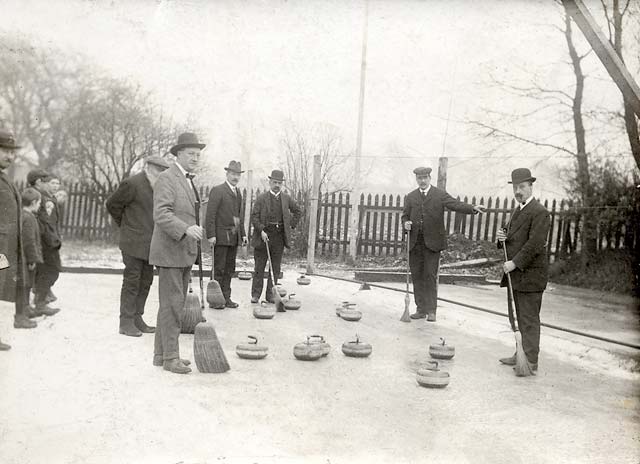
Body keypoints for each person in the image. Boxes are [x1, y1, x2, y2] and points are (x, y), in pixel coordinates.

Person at [149, 132, 206, 374]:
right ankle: (171, 358)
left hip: (182, 251)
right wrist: (186, 229)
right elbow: (161, 213)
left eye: (198, 155)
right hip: (170, 252)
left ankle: (162, 355)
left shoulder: (188, 181)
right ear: (178, 154)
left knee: (172, 305)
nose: (195, 158)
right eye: (191, 154)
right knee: (172, 305)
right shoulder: (167, 178)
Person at [401, 166, 485, 322]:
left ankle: (431, 310)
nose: (423, 180)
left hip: (432, 244)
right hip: (415, 244)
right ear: (416, 179)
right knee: (417, 276)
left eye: (425, 177)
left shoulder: (439, 195)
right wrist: (405, 224)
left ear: (430, 178)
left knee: (430, 276)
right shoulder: (411, 197)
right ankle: (421, 309)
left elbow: (455, 204)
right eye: (420, 178)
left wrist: (472, 208)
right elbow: (405, 216)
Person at [106, 156, 170, 337]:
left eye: (163, 170)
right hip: (133, 243)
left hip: (151, 244)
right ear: (148, 167)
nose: (161, 173)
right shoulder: (132, 183)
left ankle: (137, 318)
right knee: (132, 282)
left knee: (146, 281)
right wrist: (126, 225)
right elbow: (112, 204)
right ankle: (125, 322)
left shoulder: (160, 187)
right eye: (158, 169)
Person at [497, 168, 550, 373]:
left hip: (530, 275)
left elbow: (535, 244)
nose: (518, 191)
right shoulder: (517, 210)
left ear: (530, 187)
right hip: (516, 275)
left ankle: (531, 360)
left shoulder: (540, 212)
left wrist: (515, 263)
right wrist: (501, 238)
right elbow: (512, 239)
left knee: (528, 318)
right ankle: (520, 352)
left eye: (522, 187)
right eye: (515, 187)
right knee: (516, 316)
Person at [0, 129, 36, 333]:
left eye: (12, 152)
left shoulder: (4, 178)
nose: (10, 156)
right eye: (5, 150)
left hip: (6, 250)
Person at [250, 169, 301, 305]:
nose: (277, 185)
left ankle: (270, 295)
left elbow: (298, 211)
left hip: (278, 237)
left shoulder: (286, 198)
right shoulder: (261, 198)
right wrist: (261, 230)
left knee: (275, 268)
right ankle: (255, 295)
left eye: (279, 183)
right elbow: (254, 217)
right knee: (259, 267)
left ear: (282, 184)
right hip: (264, 235)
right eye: (274, 182)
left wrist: (290, 226)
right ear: (270, 182)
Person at [205, 160, 248, 309]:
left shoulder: (238, 194)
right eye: (233, 174)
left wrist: (242, 234)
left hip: (233, 237)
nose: (235, 177)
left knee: (230, 269)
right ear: (227, 174)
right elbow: (210, 215)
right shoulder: (218, 190)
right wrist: (211, 234)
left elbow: (238, 217)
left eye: (238, 174)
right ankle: (215, 300)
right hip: (221, 237)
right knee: (219, 269)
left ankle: (226, 297)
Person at [27, 169, 62, 314]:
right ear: (39, 182)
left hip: (45, 241)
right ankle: (40, 303)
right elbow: (41, 221)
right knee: (51, 270)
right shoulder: (36, 196)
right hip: (44, 242)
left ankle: (40, 300)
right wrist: (52, 240)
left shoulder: (43, 195)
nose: (50, 185)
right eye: (47, 181)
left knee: (48, 271)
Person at [21, 187, 58, 317]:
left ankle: (27, 308)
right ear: (33, 203)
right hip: (28, 259)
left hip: (27, 258)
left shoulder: (25, 216)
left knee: (27, 283)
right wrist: (33, 259)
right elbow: (29, 241)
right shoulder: (29, 218)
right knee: (26, 283)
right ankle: (24, 311)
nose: (39, 206)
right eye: (39, 203)